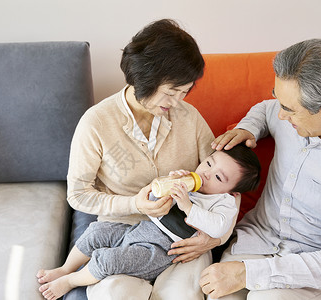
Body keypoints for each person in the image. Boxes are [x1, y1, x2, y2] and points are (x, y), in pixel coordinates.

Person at [37, 19, 238, 300]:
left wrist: (214, 239)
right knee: (114, 295)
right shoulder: (96, 122)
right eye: (171, 91)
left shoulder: (189, 118)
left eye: (185, 91)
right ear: (145, 78)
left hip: (181, 238)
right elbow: (79, 195)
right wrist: (134, 203)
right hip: (123, 232)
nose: (178, 102)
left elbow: (227, 185)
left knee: (182, 296)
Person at [200, 38, 321, 300]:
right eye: (279, 100)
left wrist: (247, 274)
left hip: (316, 270)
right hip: (256, 240)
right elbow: (266, 109)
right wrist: (248, 127)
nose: (281, 116)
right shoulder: (290, 114)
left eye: (289, 109)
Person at [37, 145, 261, 300]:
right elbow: (153, 210)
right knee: (98, 231)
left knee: (110, 259)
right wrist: (166, 185)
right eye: (209, 163)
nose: (207, 174)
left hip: (160, 249)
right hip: (142, 227)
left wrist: (188, 207)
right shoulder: (189, 181)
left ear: (232, 192)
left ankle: (72, 281)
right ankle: (66, 268)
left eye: (219, 178)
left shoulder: (223, 203)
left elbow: (219, 227)